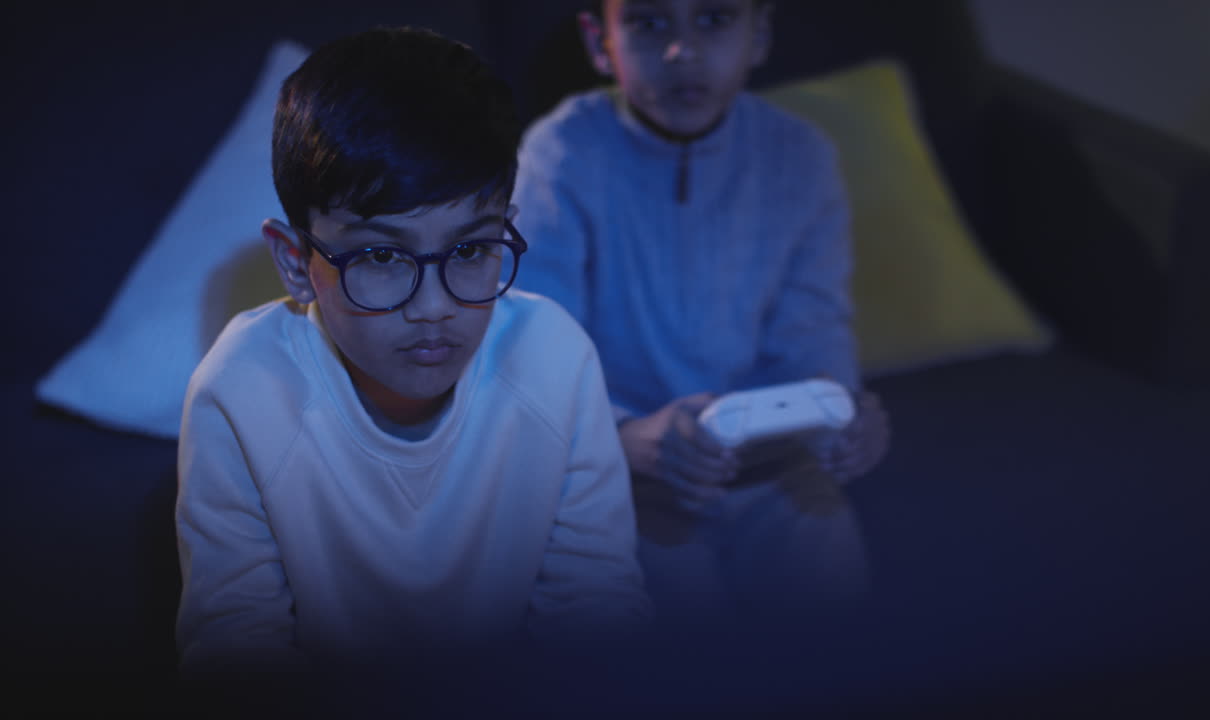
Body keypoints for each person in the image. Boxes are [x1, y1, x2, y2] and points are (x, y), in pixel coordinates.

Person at [174, 26, 653, 685]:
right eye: (378, 256)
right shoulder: (241, 391)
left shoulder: (554, 358)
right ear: (294, 261)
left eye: (470, 250)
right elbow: (236, 650)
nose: (433, 306)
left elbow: (596, 614)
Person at [511, 0, 891, 634]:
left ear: (759, 32)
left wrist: (839, 411)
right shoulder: (562, 156)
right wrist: (624, 439)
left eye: (714, 19)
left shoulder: (800, 156)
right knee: (669, 617)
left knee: (829, 593)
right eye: (649, 23)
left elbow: (814, 329)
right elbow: (529, 356)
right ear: (600, 42)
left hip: (772, 464)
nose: (682, 51)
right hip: (618, 469)